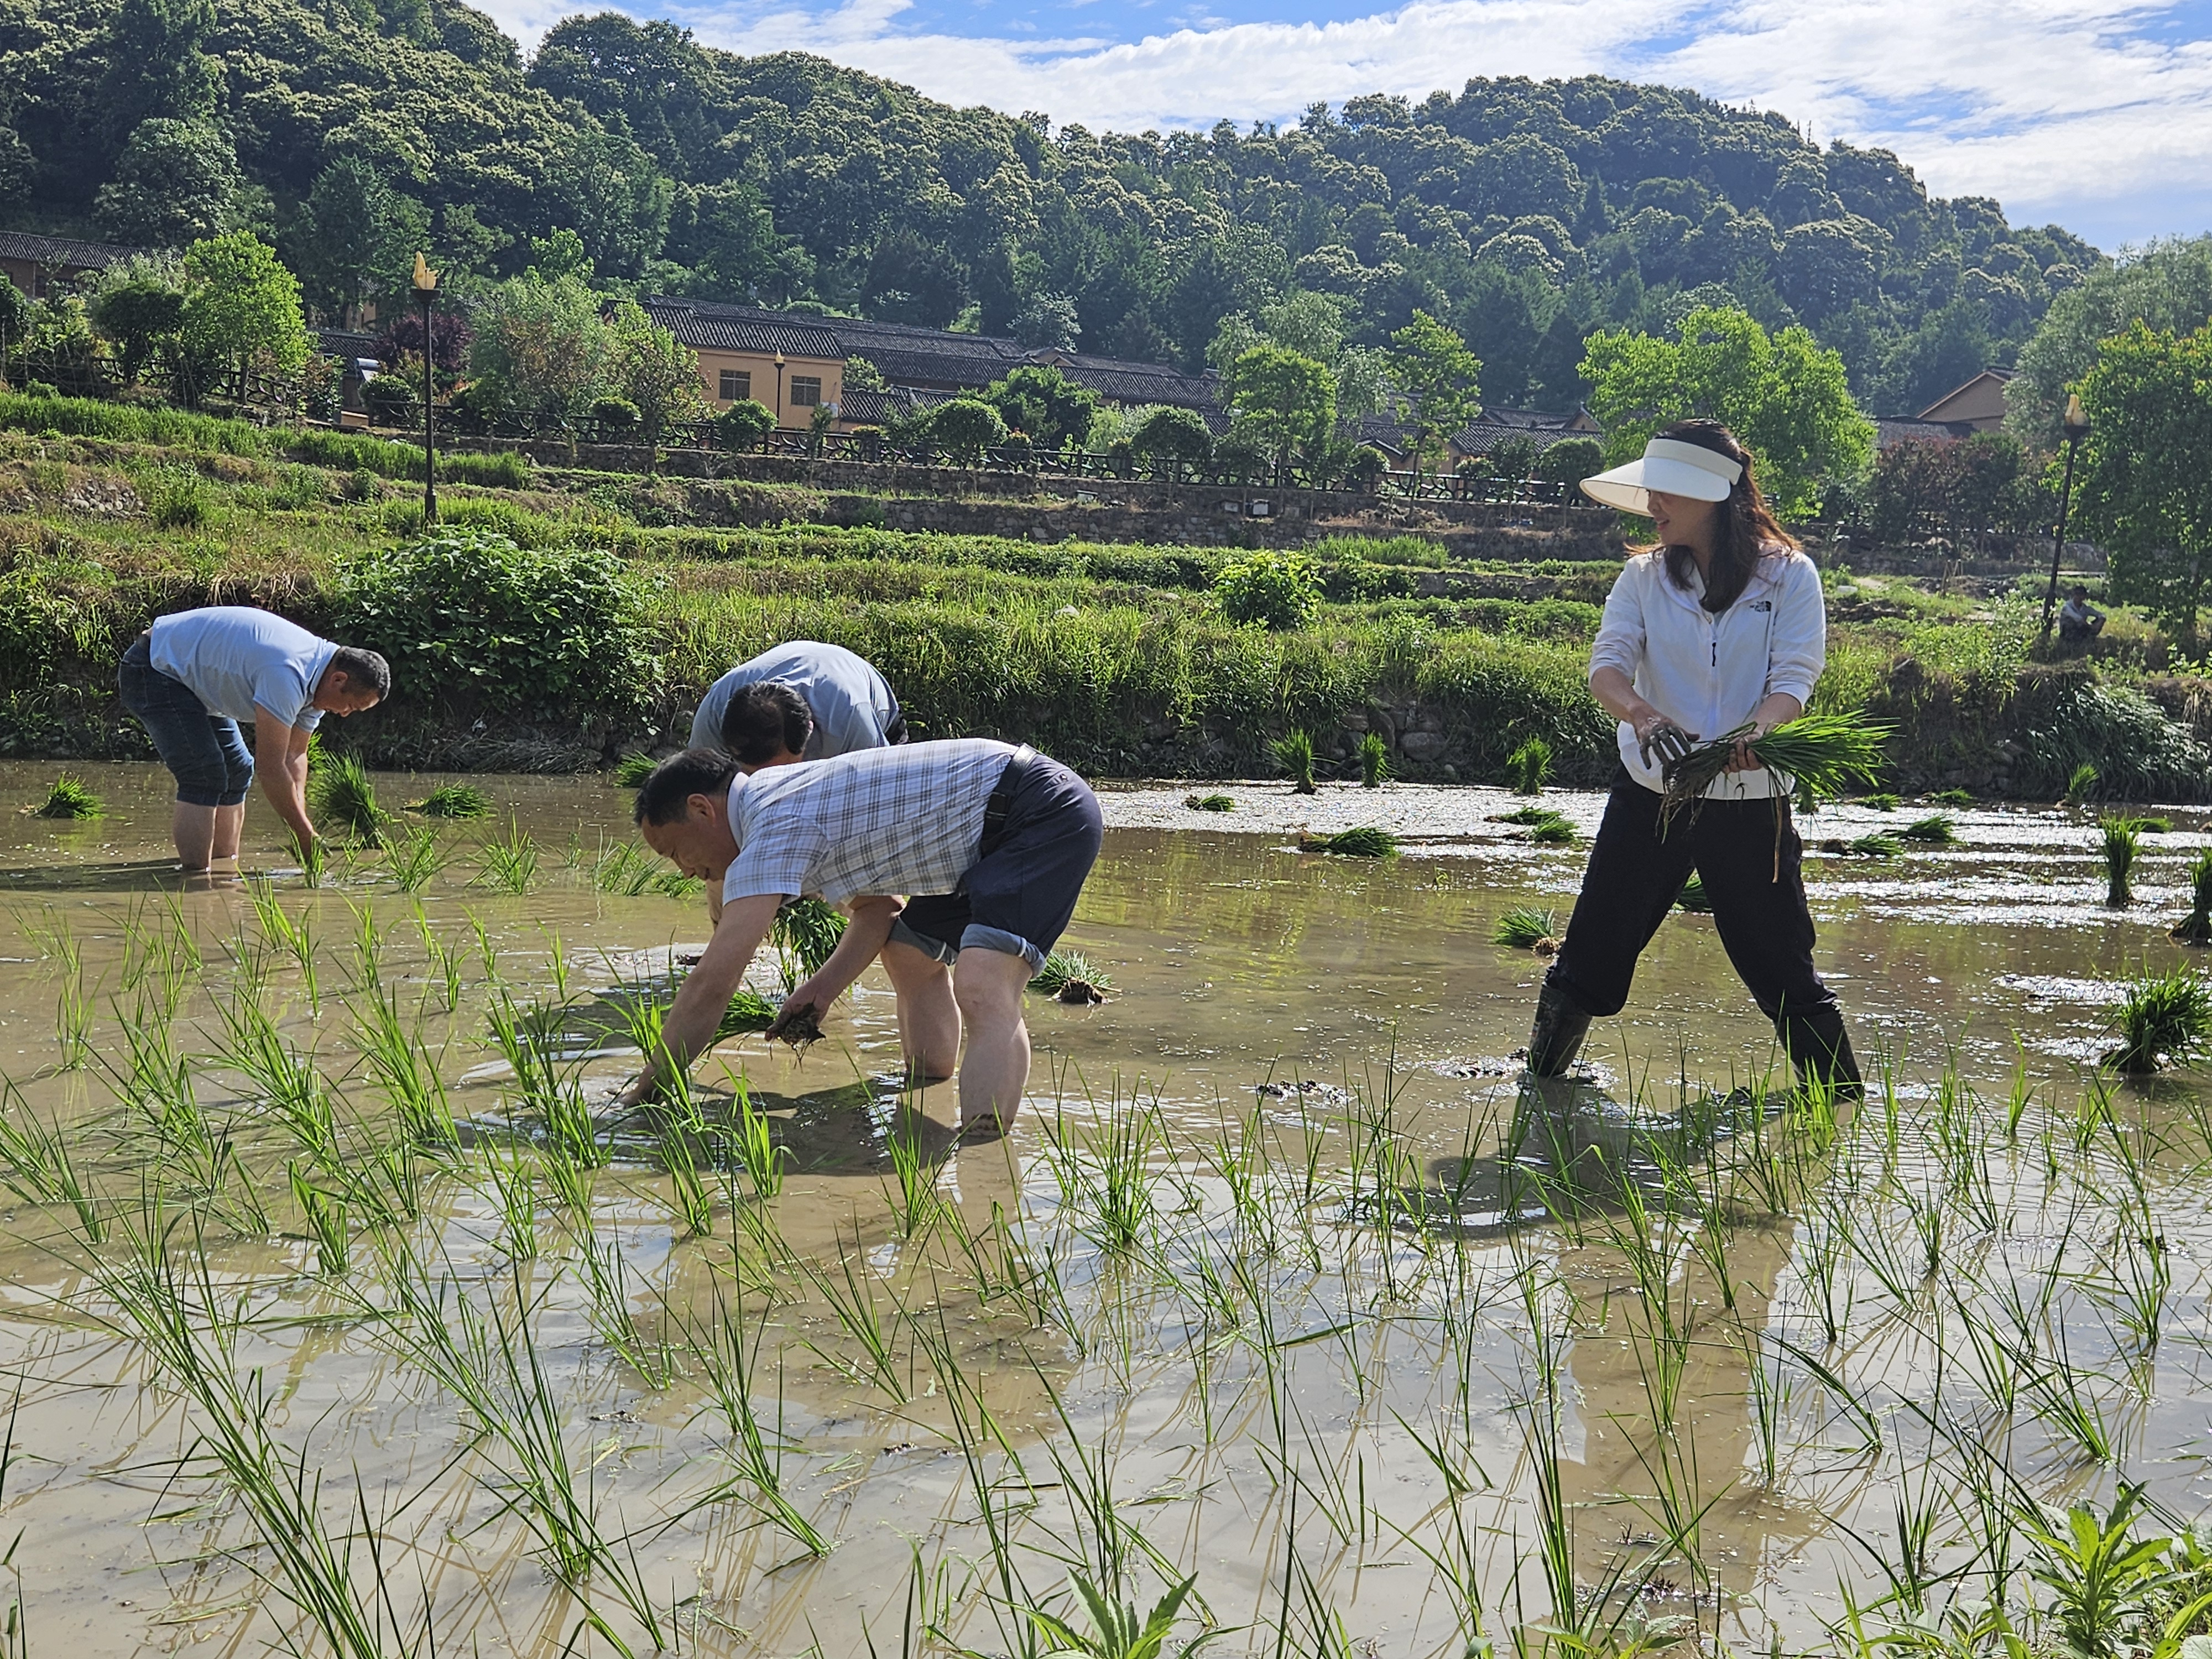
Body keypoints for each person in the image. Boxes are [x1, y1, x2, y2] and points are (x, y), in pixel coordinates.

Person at [1522, 419, 1860, 1094]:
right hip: (1653, 790)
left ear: (1715, 496)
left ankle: (1843, 1102)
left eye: (1668, 492)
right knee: (1591, 949)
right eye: (1652, 491)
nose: (1654, 505)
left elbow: (1794, 679)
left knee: (1781, 963)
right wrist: (1643, 715)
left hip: (1750, 798)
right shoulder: (1643, 578)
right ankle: (1539, 1087)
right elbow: (1607, 670)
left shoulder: (1788, 576)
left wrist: (1756, 734)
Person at [618, 740, 1103, 1133]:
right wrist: (821, 990)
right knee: (909, 953)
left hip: (1037, 811)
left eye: (675, 851)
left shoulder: (772, 827)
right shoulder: (778, 801)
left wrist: (646, 1091)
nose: (684, 871)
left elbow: (712, 983)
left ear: (702, 810)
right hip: (979, 838)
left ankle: (984, 1153)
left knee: (982, 985)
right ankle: (928, 1081)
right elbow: (878, 911)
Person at [118, 606, 389, 873]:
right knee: (204, 773)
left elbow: (294, 756)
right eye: (350, 706)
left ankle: (225, 870)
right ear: (339, 680)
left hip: (195, 682)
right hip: (154, 668)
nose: (344, 714)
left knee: (238, 769)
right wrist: (305, 835)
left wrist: (301, 826)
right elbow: (270, 768)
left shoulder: (319, 685)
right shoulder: (288, 673)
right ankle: (197, 882)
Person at [691, 641, 904, 766]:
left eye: (783, 770)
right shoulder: (714, 713)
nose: (772, 783)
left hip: (874, 715)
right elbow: (703, 791)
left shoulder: (852, 719)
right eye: (754, 774)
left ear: (809, 731)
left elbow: (879, 789)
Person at [2057, 586, 2106, 654]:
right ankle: (2070, 643)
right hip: (2067, 633)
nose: (2079, 597)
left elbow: (2101, 615)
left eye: (2081, 595)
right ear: (2074, 595)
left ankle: (2089, 638)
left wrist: (2100, 622)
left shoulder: (2085, 609)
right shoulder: (2067, 607)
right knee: (2072, 622)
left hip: (2081, 631)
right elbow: (2077, 618)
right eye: (2077, 594)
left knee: (2100, 620)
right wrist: (2090, 626)